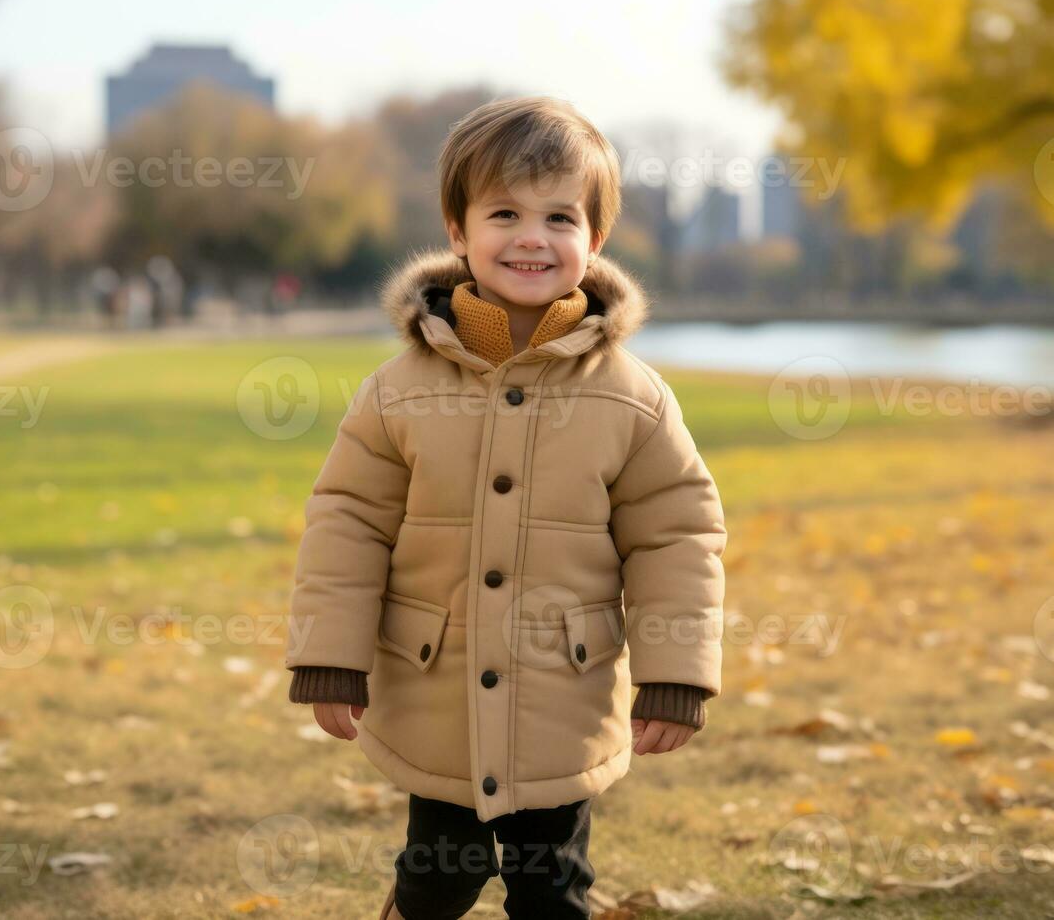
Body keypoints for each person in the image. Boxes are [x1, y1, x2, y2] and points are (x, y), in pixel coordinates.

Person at [284, 96, 728, 919]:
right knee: (437, 878)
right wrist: (328, 654)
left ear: (593, 241)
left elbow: (676, 536)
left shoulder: (633, 398)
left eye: (560, 216)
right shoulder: (399, 389)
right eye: (504, 213)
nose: (532, 236)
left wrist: (675, 672)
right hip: (435, 690)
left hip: (565, 691)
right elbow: (348, 520)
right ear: (457, 230)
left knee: (551, 889)